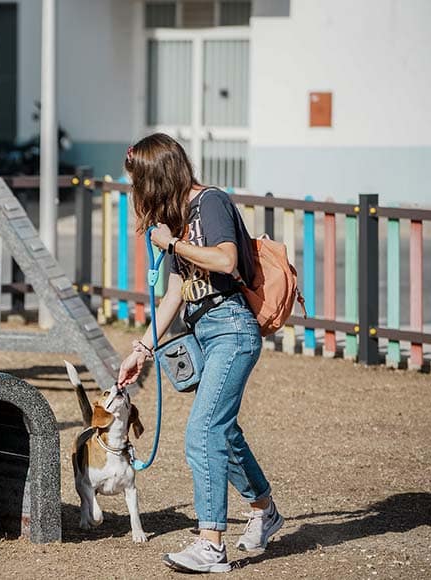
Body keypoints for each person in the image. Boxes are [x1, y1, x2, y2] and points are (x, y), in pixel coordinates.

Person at [118, 133, 283, 573]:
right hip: (203, 334)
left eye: (140, 183)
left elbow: (227, 260)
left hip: (231, 328)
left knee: (202, 432)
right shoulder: (177, 218)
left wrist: (172, 245)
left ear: (158, 176)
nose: (138, 194)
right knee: (223, 432)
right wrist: (141, 348)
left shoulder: (209, 202)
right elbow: (173, 295)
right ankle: (264, 510)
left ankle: (211, 545)